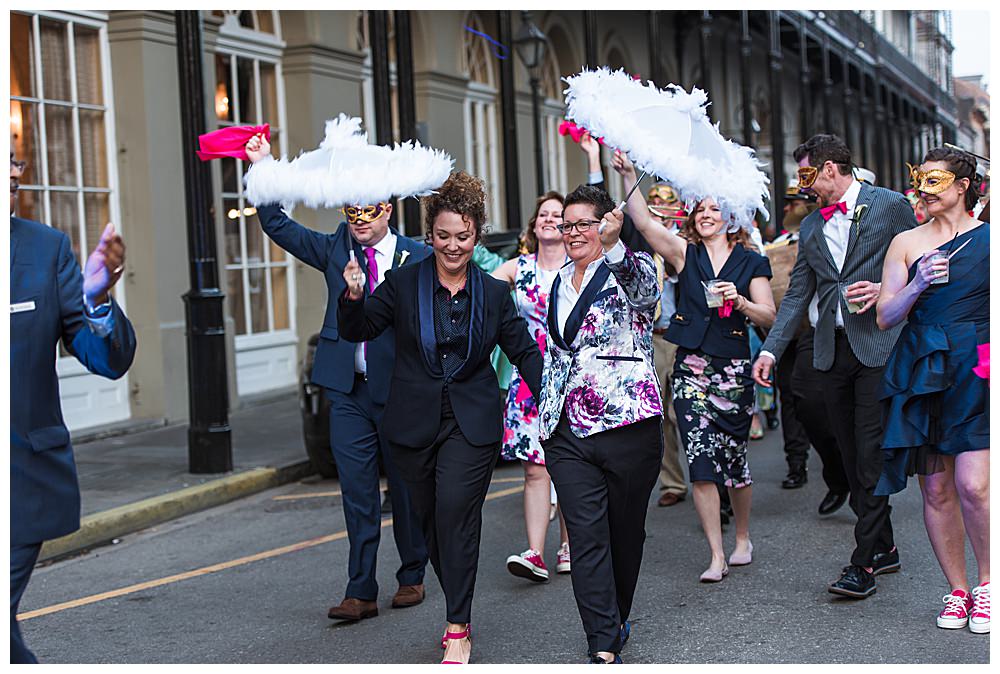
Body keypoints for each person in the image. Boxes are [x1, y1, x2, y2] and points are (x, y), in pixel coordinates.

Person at [337, 171, 543, 664]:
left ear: (477, 234)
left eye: (464, 236)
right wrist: (352, 296)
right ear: (430, 235)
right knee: (430, 524)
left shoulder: (494, 293)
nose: (453, 246)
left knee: (456, 511)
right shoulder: (404, 283)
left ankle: (458, 624)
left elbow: (524, 352)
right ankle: (457, 599)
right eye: (444, 236)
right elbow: (360, 328)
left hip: (471, 425)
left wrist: (555, 400)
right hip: (412, 425)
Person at [245, 134, 430, 622]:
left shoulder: (418, 255)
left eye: (368, 214)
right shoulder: (333, 250)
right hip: (347, 389)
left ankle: (412, 573)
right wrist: (264, 168)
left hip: (401, 389)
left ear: (387, 210)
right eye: (352, 215)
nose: (361, 224)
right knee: (357, 489)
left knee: (407, 487)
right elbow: (277, 224)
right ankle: (360, 589)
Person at [752, 134, 918, 599]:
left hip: (879, 346)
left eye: (806, 174)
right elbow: (798, 294)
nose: (801, 185)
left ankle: (861, 565)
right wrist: (768, 350)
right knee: (848, 453)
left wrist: (888, 292)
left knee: (868, 453)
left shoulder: (889, 205)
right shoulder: (809, 228)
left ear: (829, 169)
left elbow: (919, 261)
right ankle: (884, 547)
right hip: (832, 348)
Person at [616, 152, 775, 583]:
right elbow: (646, 225)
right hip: (691, 369)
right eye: (700, 209)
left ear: (731, 215)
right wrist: (630, 176)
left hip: (734, 370)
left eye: (714, 209)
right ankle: (716, 554)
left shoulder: (751, 262)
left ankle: (742, 536)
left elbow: (769, 314)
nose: (706, 215)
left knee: (734, 463)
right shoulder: (684, 255)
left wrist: (740, 301)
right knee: (700, 462)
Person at [10, 153, 137, 663]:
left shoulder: (45, 249)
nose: (14, 175)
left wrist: (98, 302)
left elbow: (103, 358)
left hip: (22, 483)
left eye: (14, 164)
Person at [538, 184, 663, 664]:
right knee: (586, 537)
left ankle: (616, 616)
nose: (572, 233)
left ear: (605, 224)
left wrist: (613, 246)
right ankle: (603, 641)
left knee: (624, 532)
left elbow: (647, 293)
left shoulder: (632, 266)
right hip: (567, 431)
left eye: (581, 224)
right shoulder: (558, 281)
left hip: (627, 422)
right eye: (566, 225)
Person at [875, 147, 990, 633]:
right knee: (938, 486)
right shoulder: (906, 241)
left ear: (963, 185)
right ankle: (958, 590)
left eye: (936, 180)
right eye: (921, 179)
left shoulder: (990, 238)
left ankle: (988, 585)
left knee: (974, 485)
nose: (924, 189)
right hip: (922, 366)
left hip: (977, 364)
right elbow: (885, 316)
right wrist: (918, 282)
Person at [581, 135, 689, 509]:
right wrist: (600, 162)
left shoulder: (687, 243)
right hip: (651, 338)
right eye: (653, 208)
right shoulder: (640, 242)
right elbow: (603, 214)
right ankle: (672, 481)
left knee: (685, 411)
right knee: (659, 414)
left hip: (685, 336)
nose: (659, 215)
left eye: (667, 209)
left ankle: (710, 475)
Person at [491, 191, 571, 581]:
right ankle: (536, 552)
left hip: (573, 377)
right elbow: (475, 285)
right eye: (544, 214)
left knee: (571, 465)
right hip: (528, 379)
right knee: (535, 470)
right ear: (534, 224)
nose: (550, 219)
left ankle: (570, 545)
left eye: (558, 214)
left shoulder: (581, 267)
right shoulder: (517, 268)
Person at [770, 184, 851, 513]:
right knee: (801, 401)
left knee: (854, 414)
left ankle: (865, 495)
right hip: (810, 330)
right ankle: (829, 471)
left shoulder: (859, 223)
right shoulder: (789, 240)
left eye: (801, 202)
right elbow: (793, 293)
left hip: (856, 330)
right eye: (791, 203)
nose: (795, 208)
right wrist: (770, 347)